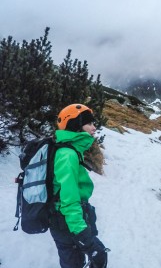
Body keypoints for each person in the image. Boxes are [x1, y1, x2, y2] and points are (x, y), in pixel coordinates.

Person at [50, 103, 107, 268]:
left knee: (74, 261)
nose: (94, 127)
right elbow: (68, 199)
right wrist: (82, 233)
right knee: (93, 257)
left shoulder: (70, 151)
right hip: (67, 223)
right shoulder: (67, 155)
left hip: (64, 221)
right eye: (89, 123)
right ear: (75, 125)